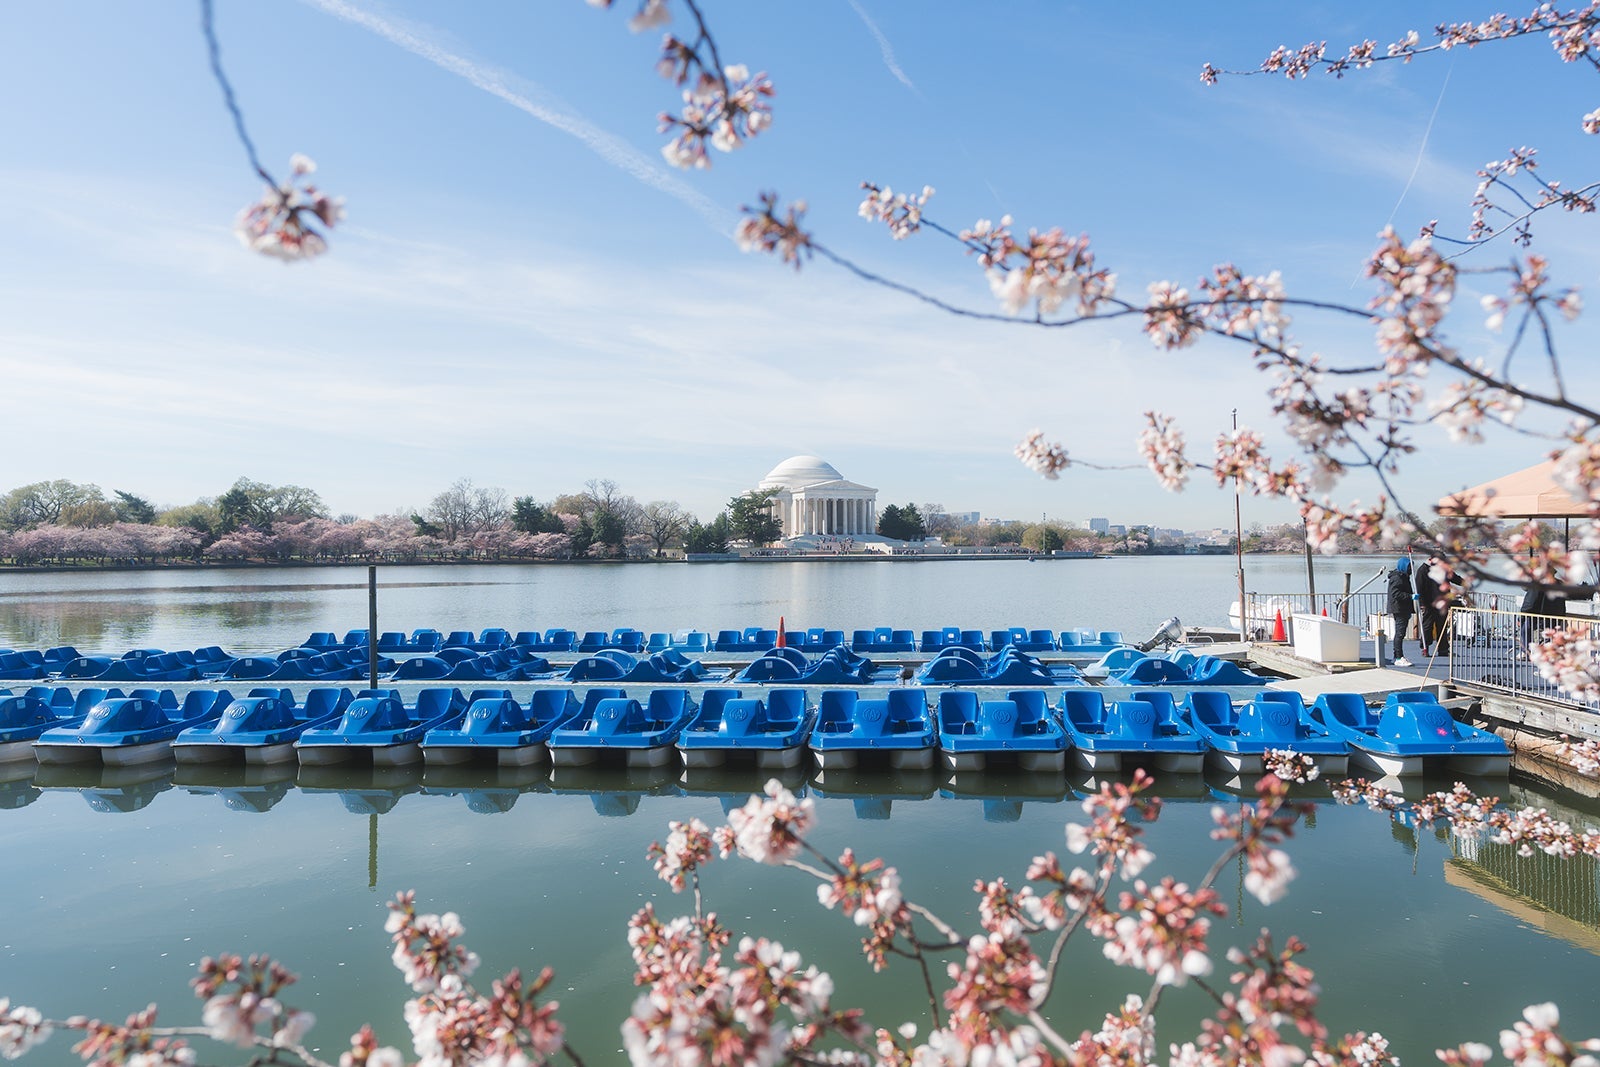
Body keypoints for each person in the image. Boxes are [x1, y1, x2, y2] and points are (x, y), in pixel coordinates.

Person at [1415, 555, 1460, 658]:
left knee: (1442, 626)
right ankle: (1425, 648)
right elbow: (1419, 588)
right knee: (1427, 626)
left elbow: (1453, 577)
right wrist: (1422, 603)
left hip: (1442, 602)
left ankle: (1443, 649)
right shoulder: (1423, 570)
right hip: (1428, 604)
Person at [1386, 556, 1417, 666]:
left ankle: (1398, 655)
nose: (1411, 570)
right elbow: (1395, 594)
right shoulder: (1398, 578)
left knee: (1401, 633)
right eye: (1409, 567)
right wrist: (1410, 596)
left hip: (1403, 608)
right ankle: (1398, 656)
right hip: (1399, 608)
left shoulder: (1404, 577)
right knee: (1400, 633)